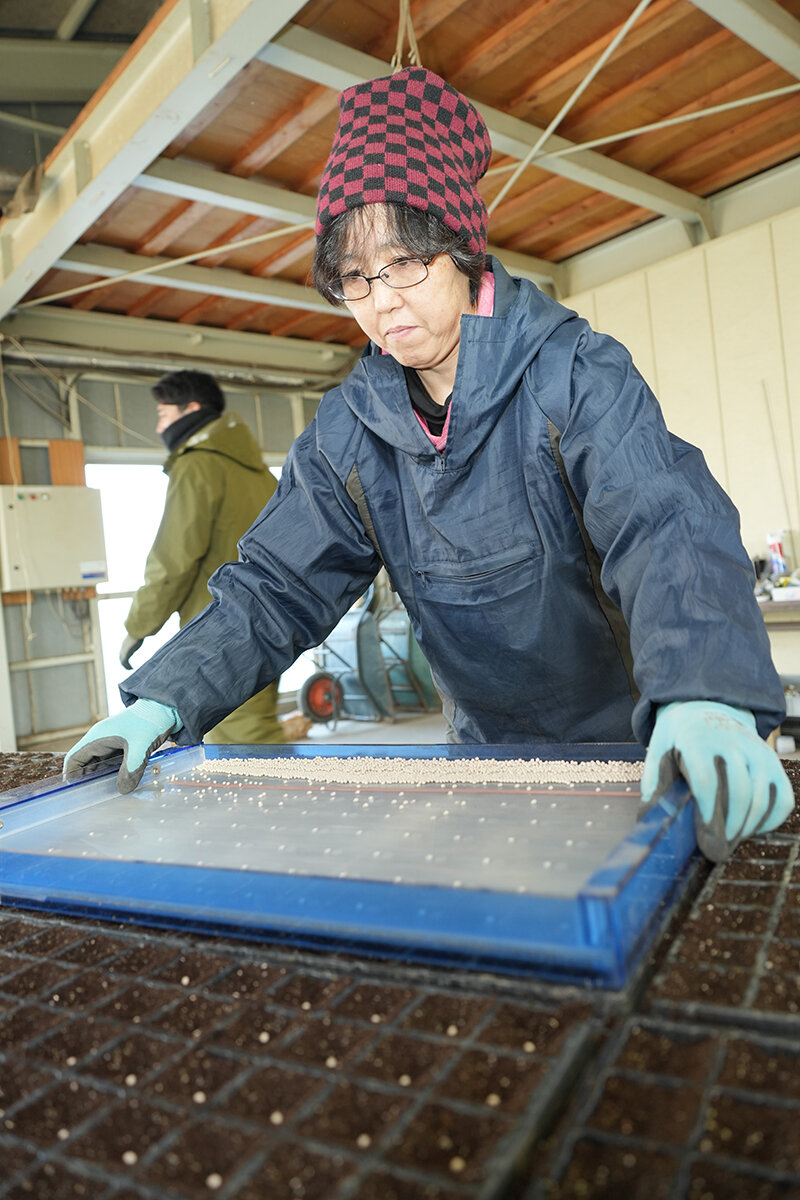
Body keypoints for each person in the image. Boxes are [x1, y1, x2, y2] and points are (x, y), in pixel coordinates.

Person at [65, 67, 792, 861]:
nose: (381, 302)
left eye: (404, 263)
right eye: (354, 278)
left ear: (462, 248)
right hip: (483, 763)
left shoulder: (574, 374)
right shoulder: (350, 428)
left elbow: (664, 522)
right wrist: (165, 697)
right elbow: (276, 586)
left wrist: (702, 690)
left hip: (635, 751)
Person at [118, 368, 285, 745]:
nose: (159, 424)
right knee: (256, 726)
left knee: (243, 742)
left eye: (163, 413)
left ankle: (284, 803)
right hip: (271, 622)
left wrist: (138, 626)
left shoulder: (197, 465)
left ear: (190, 409)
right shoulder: (259, 473)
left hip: (219, 629)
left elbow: (173, 559)